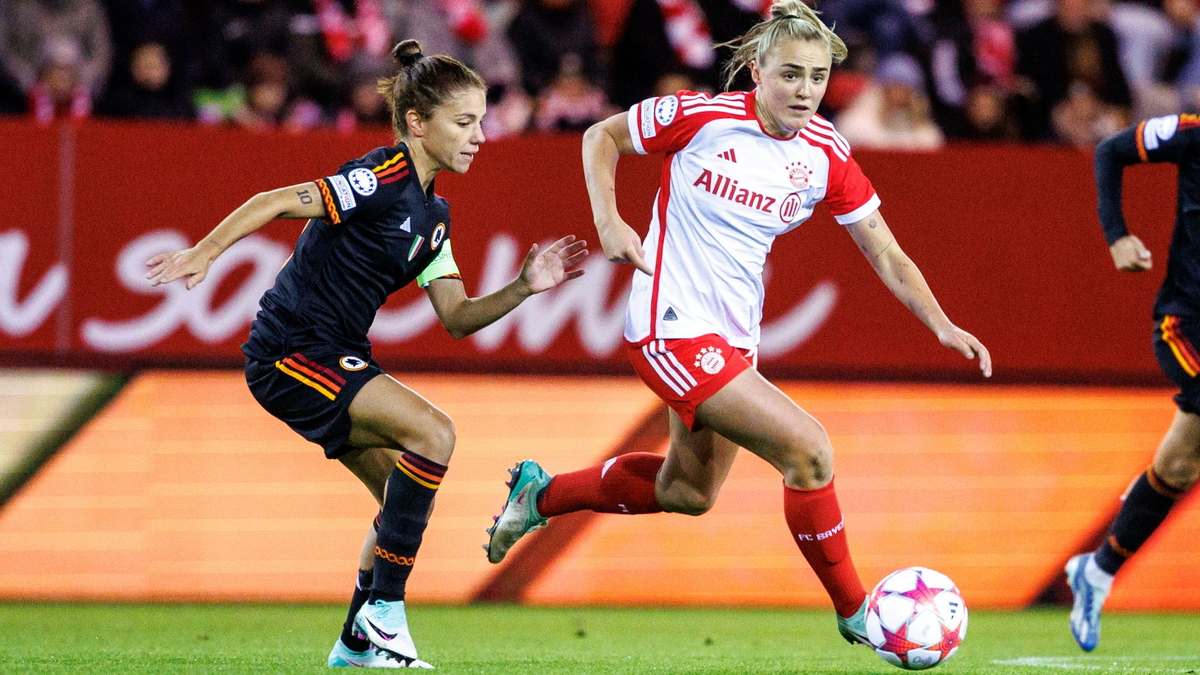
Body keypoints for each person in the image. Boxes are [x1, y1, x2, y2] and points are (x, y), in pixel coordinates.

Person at [483, 0, 991, 647]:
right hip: (667, 327)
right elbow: (600, 136)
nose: (804, 90)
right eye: (790, 74)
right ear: (756, 69)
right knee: (808, 449)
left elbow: (885, 250)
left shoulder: (826, 154)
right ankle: (856, 611)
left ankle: (541, 494)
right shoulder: (704, 117)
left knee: (688, 490)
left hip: (730, 340)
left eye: (815, 76)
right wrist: (611, 221)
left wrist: (940, 322)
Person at [144, 39, 587, 668]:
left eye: (482, 121)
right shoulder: (381, 178)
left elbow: (458, 318)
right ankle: (385, 617)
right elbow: (273, 200)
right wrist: (204, 253)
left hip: (335, 354)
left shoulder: (435, 216)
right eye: (464, 122)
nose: (479, 136)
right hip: (290, 352)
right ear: (416, 123)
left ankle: (358, 640)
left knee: (398, 505)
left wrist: (523, 286)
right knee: (435, 433)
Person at [1068, 113, 1200, 651]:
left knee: (1179, 465)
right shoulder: (1191, 132)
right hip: (1186, 324)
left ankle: (1097, 571)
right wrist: (1117, 235)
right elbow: (1110, 151)